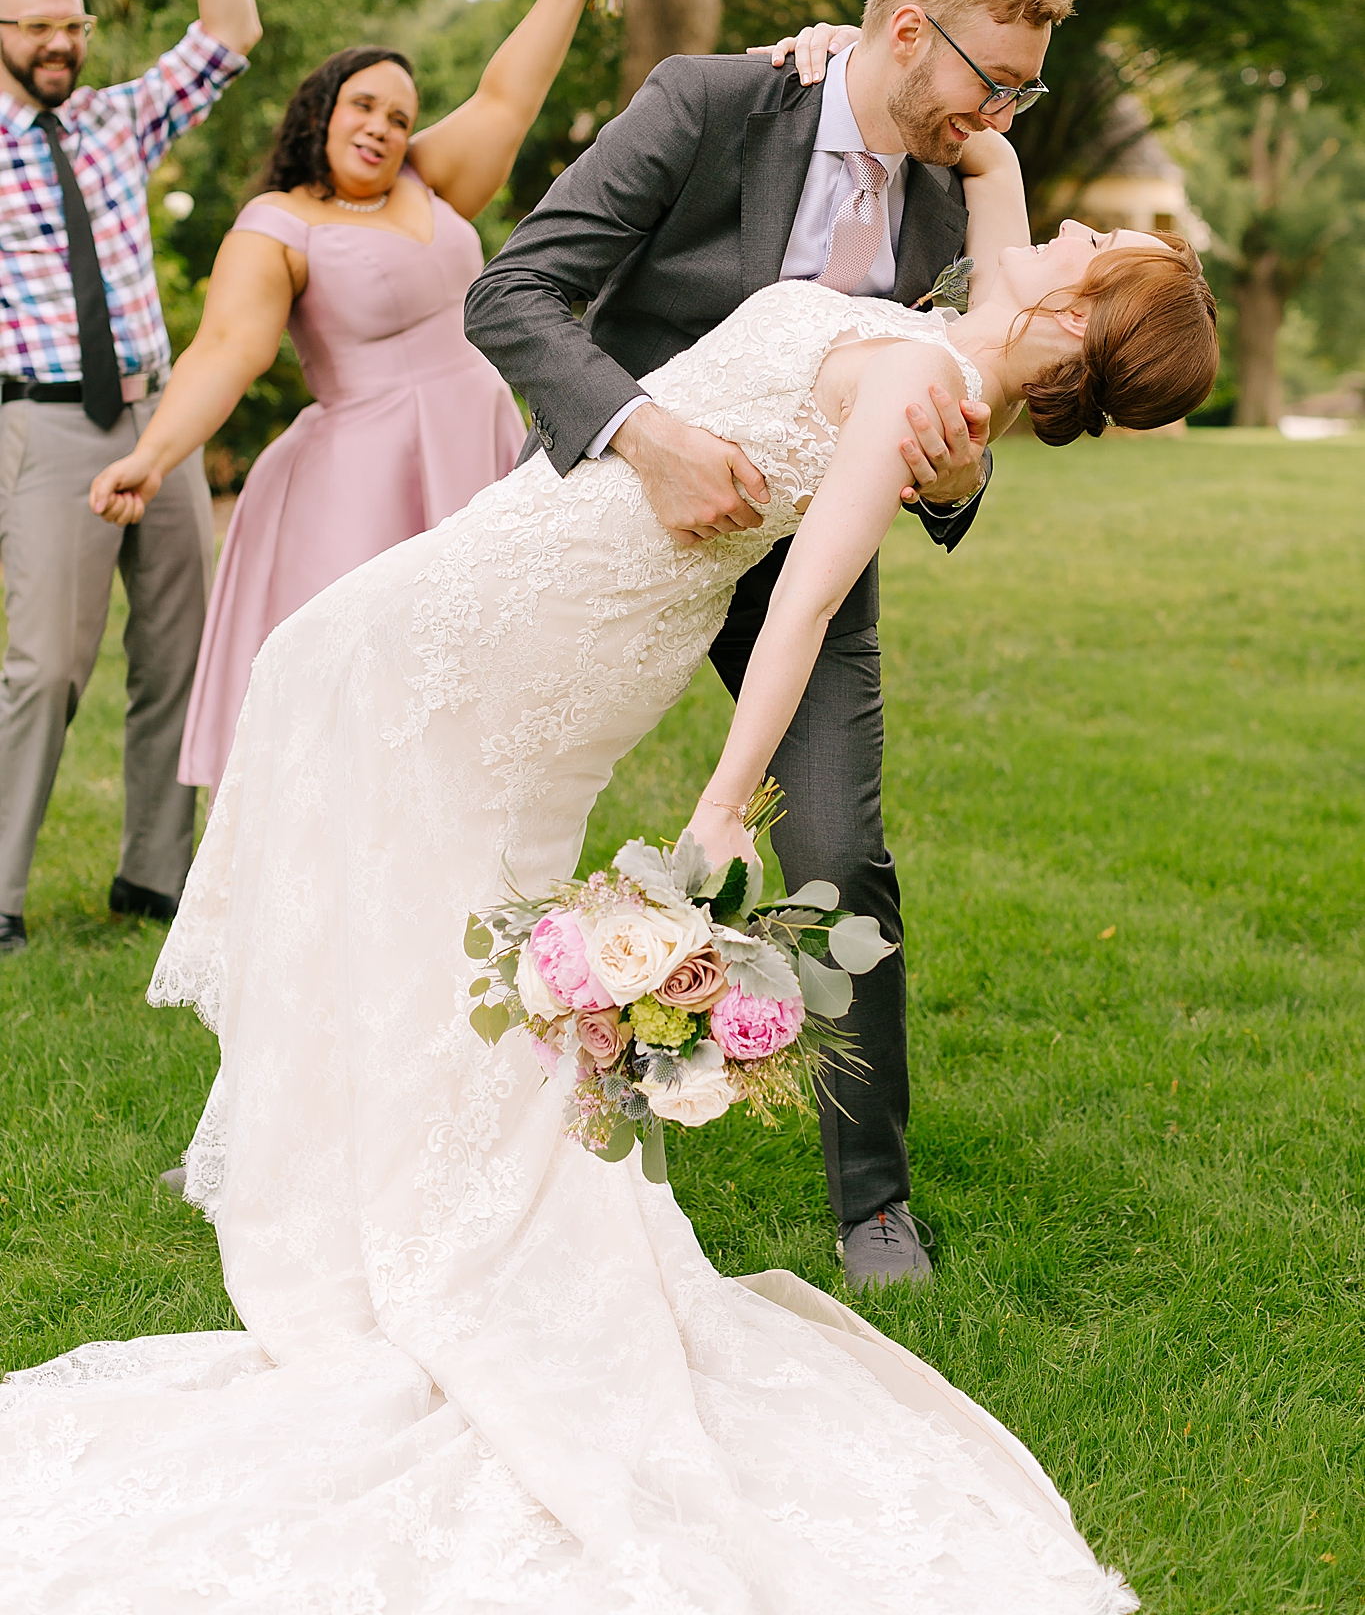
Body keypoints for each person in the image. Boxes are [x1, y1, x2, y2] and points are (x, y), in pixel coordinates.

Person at [0, 194, 1217, 1611]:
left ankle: (448, 1226)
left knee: (415, 820)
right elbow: (997, 164)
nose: (1066, 226)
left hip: (550, 625)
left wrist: (718, 806)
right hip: (528, 564)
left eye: (1091, 252)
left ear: (1071, 321)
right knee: (375, 788)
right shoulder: (951, 346)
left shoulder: (913, 383)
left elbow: (813, 601)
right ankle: (374, 1178)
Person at [464, 0, 1071, 1288]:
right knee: (495, 809)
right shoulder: (713, 104)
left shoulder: (953, 180)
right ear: (904, 32)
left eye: (1026, 89)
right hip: (618, 527)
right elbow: (516, 297)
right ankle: (463, 1116)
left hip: (804, 564)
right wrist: (651, 440)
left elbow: (965, 421)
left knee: (842, 852)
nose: (1005, 117)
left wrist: (950, 479)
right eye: (994, 82)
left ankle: (872, 1205)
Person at [87, 0, 621, 795]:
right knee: (362, 691)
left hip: (469, 450)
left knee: (466, 680)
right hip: (355, 479)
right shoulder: (279, 223)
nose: (381, 127)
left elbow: (507, 96)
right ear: (322, 111)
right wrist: (152, 458)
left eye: (400, 116)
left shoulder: (427, 181)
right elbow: (227, 350)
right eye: (363, 106)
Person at [0, 0, 260, 955]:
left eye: (73, 25)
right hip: (46, 422)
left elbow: (230, 35)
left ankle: (155, 877)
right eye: (39, 28)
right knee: (47, 665)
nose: (61, 44)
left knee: (176, 653)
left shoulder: (114, 118)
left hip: (161, 415)